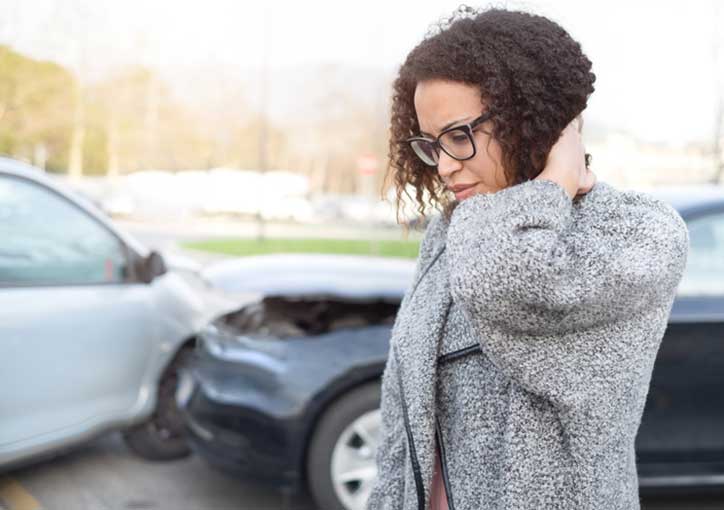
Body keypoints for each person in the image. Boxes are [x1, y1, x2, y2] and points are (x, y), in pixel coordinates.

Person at [366, 6, 689, 510]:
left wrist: (553, 181)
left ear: (530, 120)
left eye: (459, 135)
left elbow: (509, 282)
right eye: (432, 145)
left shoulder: (638, 231)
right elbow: (401, 421)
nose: (445, 167)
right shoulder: (452, 233)